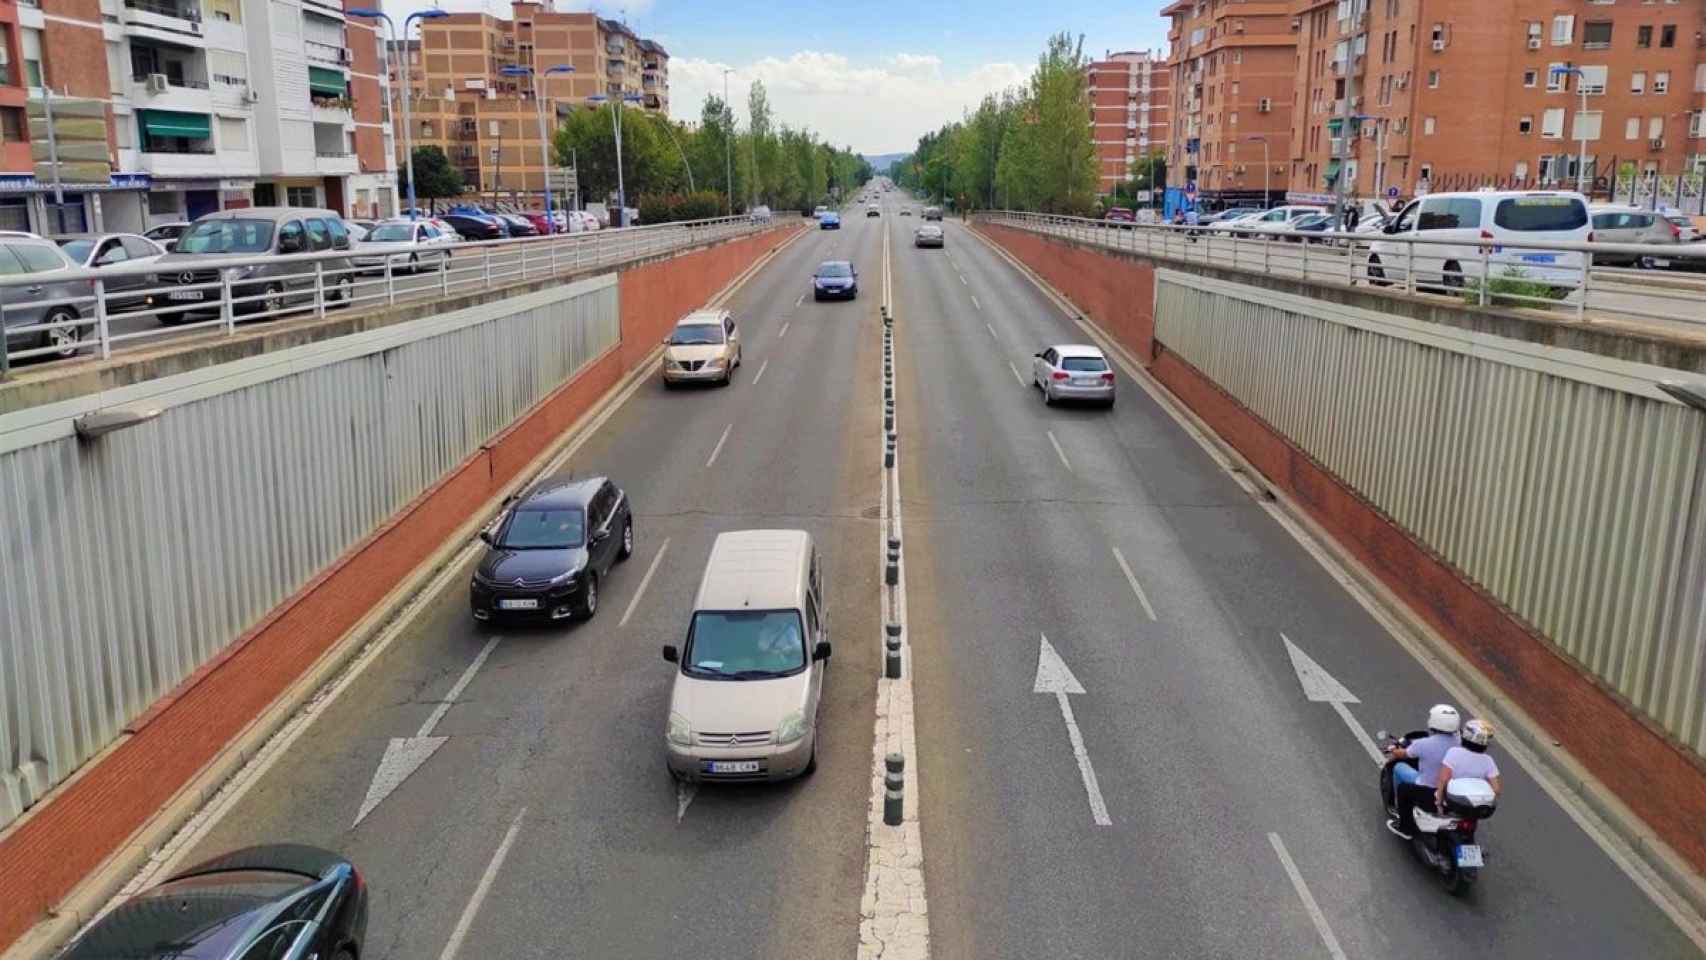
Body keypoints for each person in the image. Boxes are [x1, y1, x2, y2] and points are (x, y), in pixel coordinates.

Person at [1386, 703, 1461, 838]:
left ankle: (1405, 825)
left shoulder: (1423, 744)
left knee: (1399, 770)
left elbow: (1404, 754)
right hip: (1451, 792)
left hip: (1428, 790)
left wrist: (1394, 750)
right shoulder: (1460, 741)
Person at [1435, 719, 1502, 813]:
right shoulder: (1488, 760)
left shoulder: (1453, 752)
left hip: (1453, 801)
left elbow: (1443, 779)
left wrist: (1439, 801)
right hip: (1475, 806)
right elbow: (1496, 790)